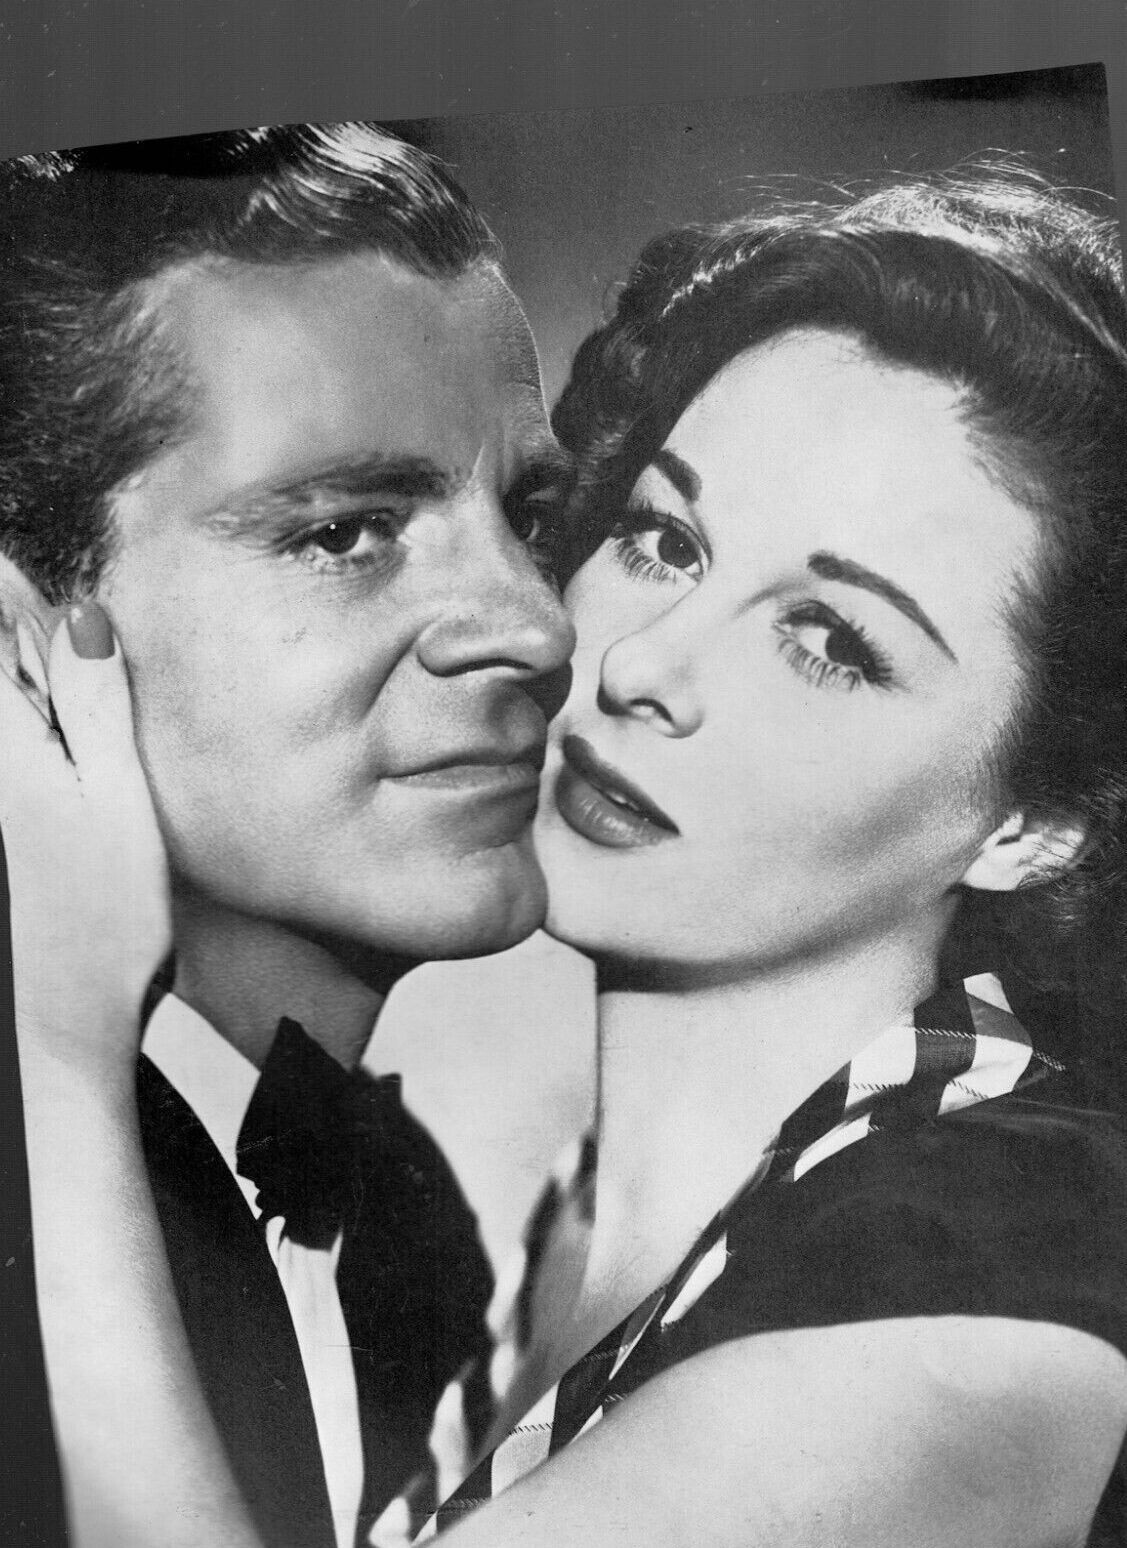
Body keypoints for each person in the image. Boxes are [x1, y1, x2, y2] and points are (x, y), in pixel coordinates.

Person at [9, 161, 1127, 1547]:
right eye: (662, 540)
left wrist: (58, 1046)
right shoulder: (492, 1245)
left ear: (1037, 823)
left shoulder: (1003, 1273)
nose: (636, 663)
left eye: (830, 641)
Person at [0, 124, 575, 1548]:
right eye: (345, 533)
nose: (535, 625)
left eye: (531, 515)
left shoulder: (408, 1217)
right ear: (23, 643)